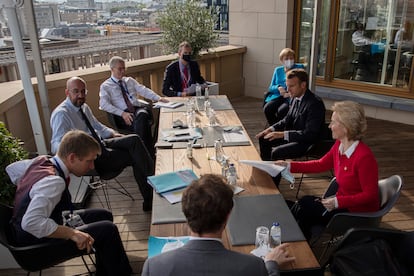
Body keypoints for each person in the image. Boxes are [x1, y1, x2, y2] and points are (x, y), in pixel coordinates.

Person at [6, 130, 132, 275]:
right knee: (108, 230)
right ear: (72, 157)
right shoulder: (53, 182)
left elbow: (11, 169)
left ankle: (105, 271)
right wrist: (71, 233)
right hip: (35, 247)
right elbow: (31, 223)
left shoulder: (41, 161)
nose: (92, 166)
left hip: (25, 232)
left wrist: (26, 191)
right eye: (89, 161)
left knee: (104, 216)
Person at [142, 174, 295, 276]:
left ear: (185, 213)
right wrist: (271, 265)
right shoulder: (254, 266)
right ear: (228, 215)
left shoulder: (154, 267)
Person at [275, 101, 379, 240]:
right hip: (340, 203)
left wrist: (337, 202)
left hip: (355, 213)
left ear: (346, 127)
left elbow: (370, 195)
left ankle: (297, 244)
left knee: (304, 207)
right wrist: (289, 166)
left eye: (333, 122)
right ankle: (297, 243)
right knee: (303, 207)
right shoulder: (339, 145)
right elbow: (320, 164)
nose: (329, 126)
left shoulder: (364, 157)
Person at [50, 76, 154, 212]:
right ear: (67, 92)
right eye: (76, 92)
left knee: (133, 139)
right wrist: (77, 151)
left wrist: (113, 133)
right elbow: (55, 145)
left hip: (101, 143)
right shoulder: (62, 114)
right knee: (135, 155)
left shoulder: (84, 107)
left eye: (83, 91)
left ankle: (154, 182)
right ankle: (150, 198)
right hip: (93, 158)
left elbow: (97, 126)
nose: (80, 95)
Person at [256, 69, 326, 186]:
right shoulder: (294, 97)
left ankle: (273, 185)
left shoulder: (315, 104)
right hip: (294, 136)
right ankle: (269, 172)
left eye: (291, 86)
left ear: (303, 85)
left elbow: (310, 134)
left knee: (277, 152)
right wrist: (270, 129)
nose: (288, 90)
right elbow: (286, 119)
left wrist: (282, 134)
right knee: (264, 138)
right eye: (287, 86)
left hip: (307, 142)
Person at [99, 56, 168, 159]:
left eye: (124, 68)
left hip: (136, 110)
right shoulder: (106, 86)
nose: (123, 71)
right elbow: (103, 104)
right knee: (143, 120)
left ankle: (143, 154)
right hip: (122, 115)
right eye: (120, 69)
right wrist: (122, 113)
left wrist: (158, 98)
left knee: (142, 115)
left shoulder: (129, 81)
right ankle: (149, 152)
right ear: (112, 69)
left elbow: (143, 90)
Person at [263, 48, 305, 125]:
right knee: (267, 108)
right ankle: (274, 127)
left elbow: (302, 85)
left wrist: (289, 94)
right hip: (278, 95)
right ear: (281, 60)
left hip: (291, 96)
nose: (289, 60)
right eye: (286, 59)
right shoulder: (278, 70)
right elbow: (271, 87)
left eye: (291, 58)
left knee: (281, 111)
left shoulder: (299, 68)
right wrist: (279, 87)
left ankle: (281, 128)